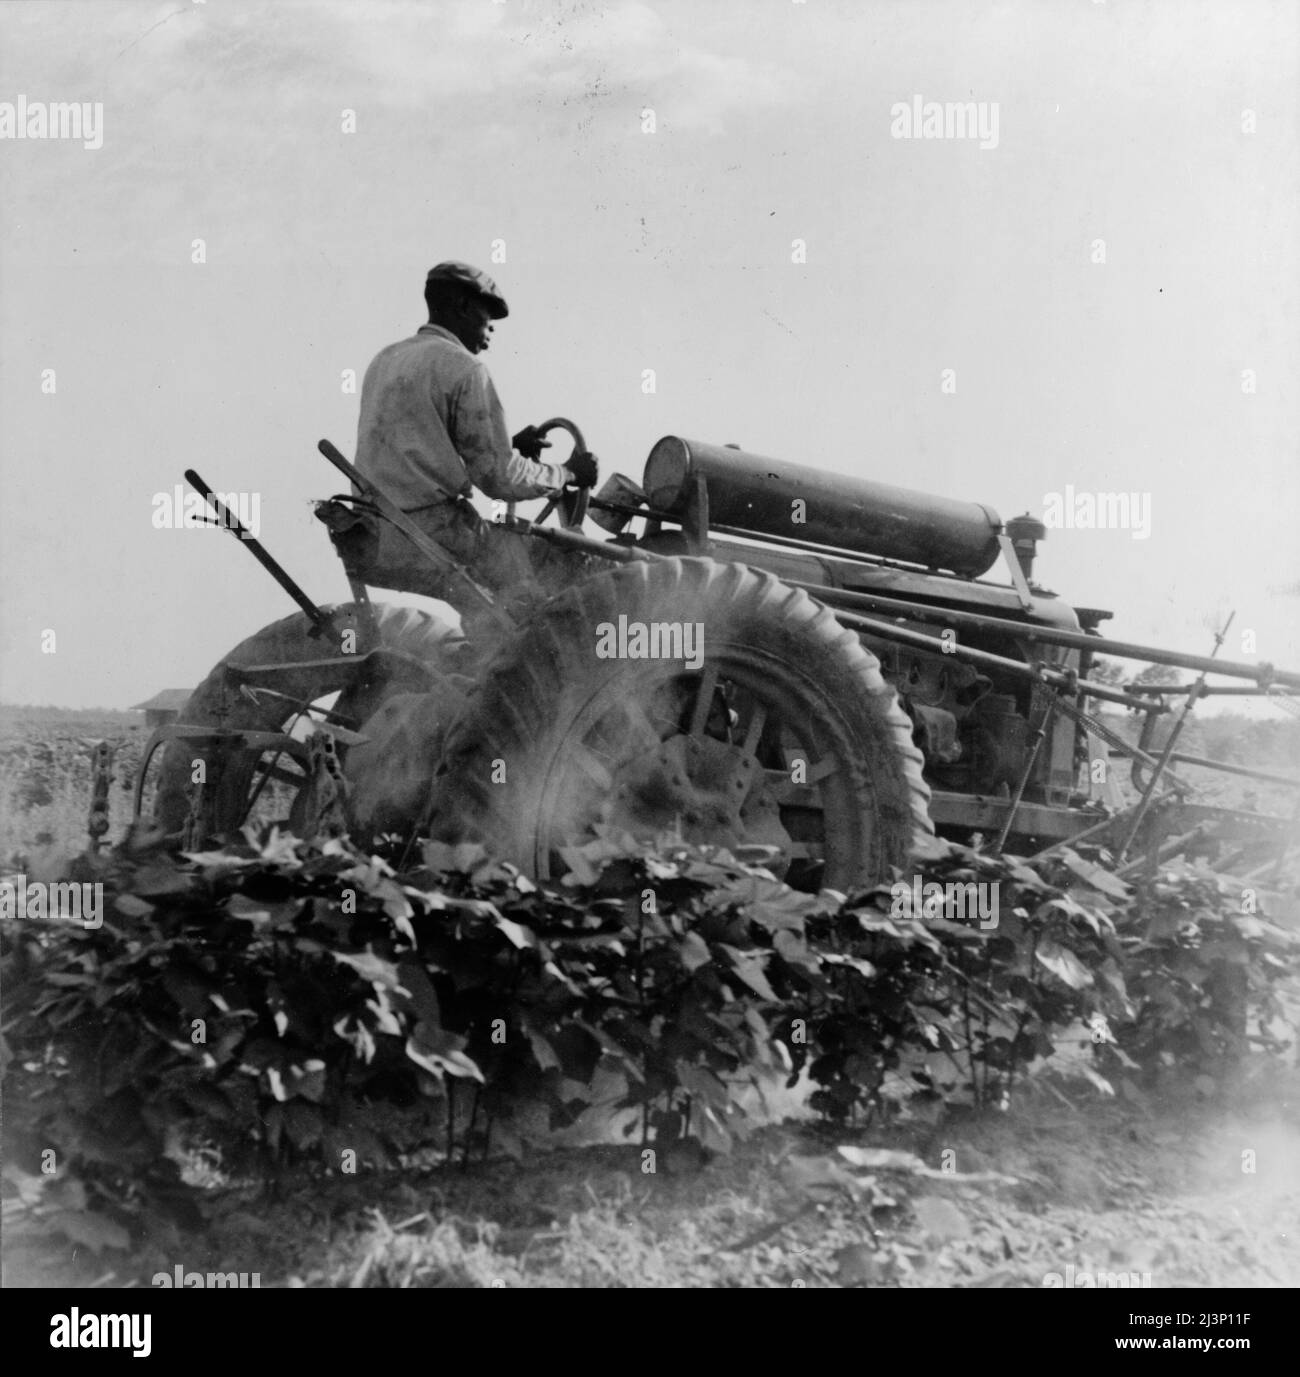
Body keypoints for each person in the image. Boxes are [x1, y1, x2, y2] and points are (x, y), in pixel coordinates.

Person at [340, 260, 598, 620]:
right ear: (463, 307)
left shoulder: (386, 359)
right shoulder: (463, 368)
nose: (490, 332)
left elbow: (417, 446)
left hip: (374, 530)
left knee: (491, 591)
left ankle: (491, 653)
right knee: (561, 555)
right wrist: (568, 473)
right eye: (488, 317)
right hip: (434, 530)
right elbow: (498, 478)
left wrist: (508, 444)